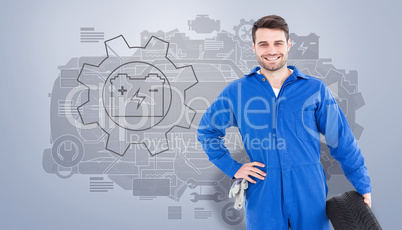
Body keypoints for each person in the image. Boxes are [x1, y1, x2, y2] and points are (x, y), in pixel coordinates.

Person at [197, 15, 372, 230]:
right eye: (264, 44)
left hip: (308, 191)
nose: (271, 51)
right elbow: (207, 131)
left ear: (288, 44)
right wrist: (233, 168)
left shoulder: (314, 90)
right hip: (263, 194)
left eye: (278, 43)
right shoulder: (237, 92)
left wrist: (362, 184)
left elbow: (342, 140)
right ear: (253, 47)